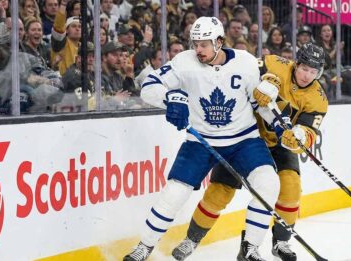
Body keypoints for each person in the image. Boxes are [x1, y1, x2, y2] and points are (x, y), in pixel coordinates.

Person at [124, 16, 281, 261]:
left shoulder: (246, 62)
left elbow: (260, 102)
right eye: (195, 43)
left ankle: (250, 247)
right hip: (201, 140)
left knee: (268, 183)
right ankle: (144, 246)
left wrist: (279, 122)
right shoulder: (184, 62)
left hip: (244, 140)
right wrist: (170, 98)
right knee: (175, 193)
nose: (198, 49)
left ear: (219, 42)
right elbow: (149, 85)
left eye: (204, 44)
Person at [171, 43, 328, 261]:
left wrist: (299, 135)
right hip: (245, 138)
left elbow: (310, 130)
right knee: (219, 192)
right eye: (304, 68)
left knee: (291, 187)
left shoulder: (318, 97)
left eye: (313, 71)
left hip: (279, 145)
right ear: (296, 64)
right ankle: (192, 239)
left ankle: (280, 242)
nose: (307, 75)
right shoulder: (274, 63)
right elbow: (242, 69)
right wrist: (266, 80)